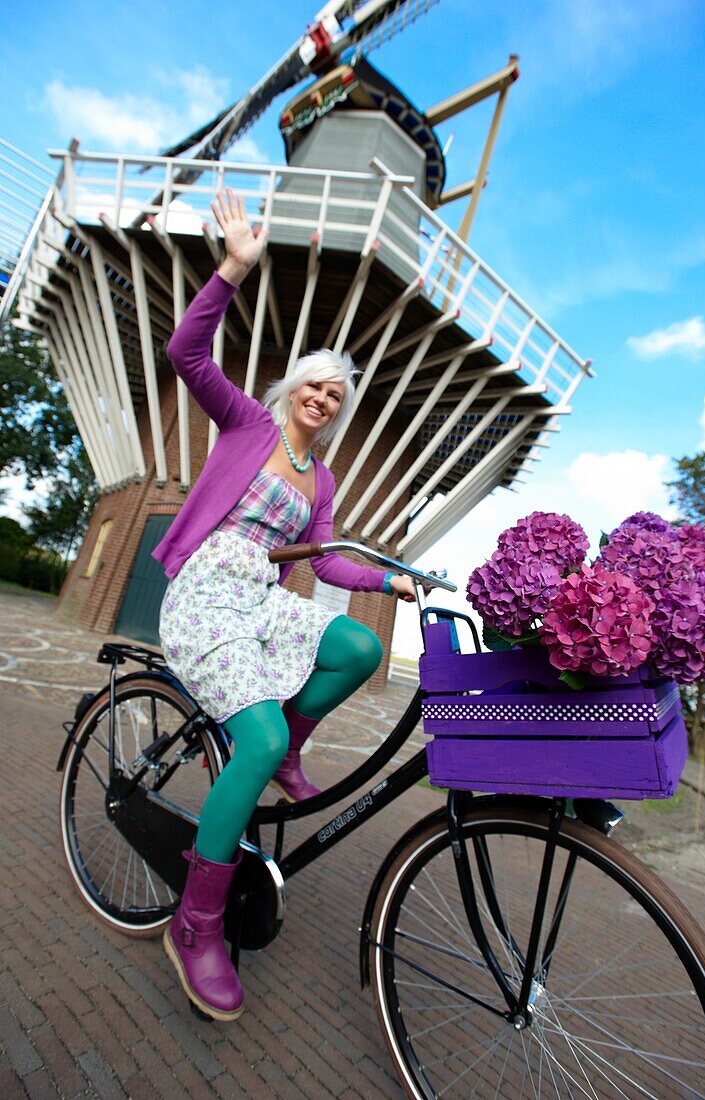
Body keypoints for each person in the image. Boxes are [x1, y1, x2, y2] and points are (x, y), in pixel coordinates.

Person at [152, 189, 415, 1021]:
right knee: (252, 737)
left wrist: (390, 583)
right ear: (291, 387)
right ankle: (195, 927)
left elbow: (328, 560)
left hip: (263, 598)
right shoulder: (245, 427)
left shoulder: (324, 479)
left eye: (337, 395)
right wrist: (232, 269)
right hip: (207, 593)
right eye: (315, 385)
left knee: (358, 651)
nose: (324, 399)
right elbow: (187, 352)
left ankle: (289, 744)